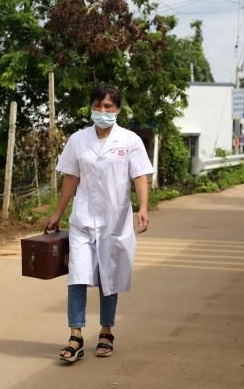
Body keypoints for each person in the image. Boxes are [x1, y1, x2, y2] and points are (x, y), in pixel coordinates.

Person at [46, 84, 153, 363]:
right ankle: (76, 336)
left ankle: (106, 331)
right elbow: (70, 178)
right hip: (83, 219)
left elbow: (140, 175)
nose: (103, 111)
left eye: (108, 107)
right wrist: (58, 213)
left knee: (109, 277)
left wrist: (143, 207)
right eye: (98, 105)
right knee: (77, 277)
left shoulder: (129, 140)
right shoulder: (78, 140)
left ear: (117, 109)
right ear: (91, 107)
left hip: (115, 220)